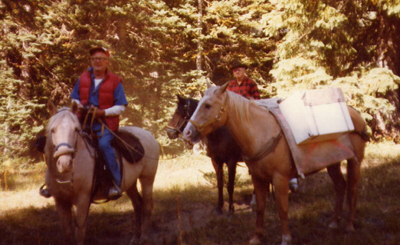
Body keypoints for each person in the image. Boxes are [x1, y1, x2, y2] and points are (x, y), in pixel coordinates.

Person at [40, 47, 128, 200]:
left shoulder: (115, 80)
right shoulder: (84, 78)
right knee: (56, 141)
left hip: (105, 124)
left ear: (107, 61)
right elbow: (74, 98)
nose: (98, 61)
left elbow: (121, 106)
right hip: (83, 120)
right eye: (95, 59)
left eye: (101, 58)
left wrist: (103, 112)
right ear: (91, 61)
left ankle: (115, 183)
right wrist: (80, 106)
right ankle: (52, 183)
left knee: (103, 146)